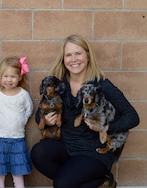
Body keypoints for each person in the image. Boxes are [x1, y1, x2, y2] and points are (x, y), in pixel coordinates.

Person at [30, 34, 140, 188]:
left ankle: (87, 181)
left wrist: (105, 128)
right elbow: (39, 115)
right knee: (38, 152)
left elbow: (132, 117)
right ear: (63, 59)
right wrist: (47, 120)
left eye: (78, 53)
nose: (73, 59)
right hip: (67, 145)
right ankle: (99, 182)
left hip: (93, 151)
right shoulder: (59, 84)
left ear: (88, 55)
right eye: (68, 55)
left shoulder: (101, 85)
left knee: (62, 185)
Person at [0, 56, 33, 188]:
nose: (9, 80)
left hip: (17, 139)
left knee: (18, 173)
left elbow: (29, 109)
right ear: (0, 77)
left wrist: (21, 120)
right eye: (5, 76)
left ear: (20, 77)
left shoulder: (23, 95)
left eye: (13, 76)